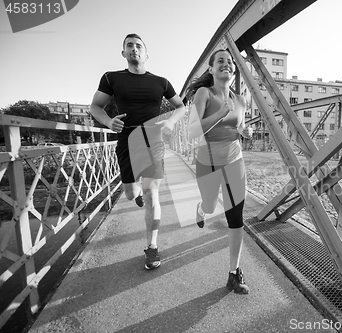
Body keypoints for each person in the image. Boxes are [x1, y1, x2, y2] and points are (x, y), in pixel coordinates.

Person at [90, 33, 186, 270]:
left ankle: (152, 247)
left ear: (146, 54)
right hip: (127, 141)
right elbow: (95, 106)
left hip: (153, 142)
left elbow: (181, 106)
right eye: (129, 46)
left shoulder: (161, 82)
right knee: (131, 193)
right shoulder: (111, 78)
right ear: (124, 53)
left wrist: (172, 122)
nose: (134, 49)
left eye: (138, 46)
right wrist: (108, 121)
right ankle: (136, 193)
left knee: (153, 195)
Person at [186, 49, 253, 294]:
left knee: (235, 218)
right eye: (220, 61)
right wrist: (219, 114)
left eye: (230, 61)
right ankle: (201, 209)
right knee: (211, 205)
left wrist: (245, 133)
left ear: (233, 70)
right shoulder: (205, 93)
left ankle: (234, 273)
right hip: (207, 162)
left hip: (235, 161)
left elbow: (239, 128)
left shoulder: (241, 100)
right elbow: (193, 131)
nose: (226, 64)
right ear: (212, 69)